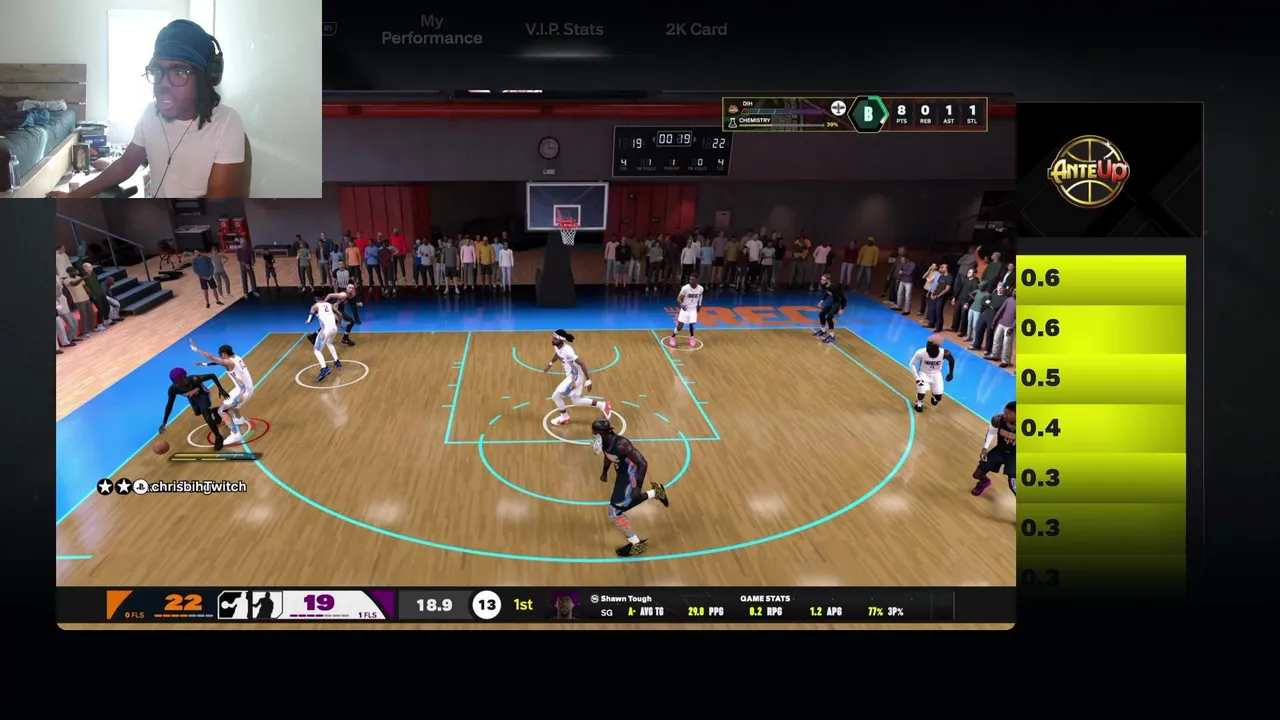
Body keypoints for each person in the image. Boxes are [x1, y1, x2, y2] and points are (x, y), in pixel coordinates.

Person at [48, 20, 247, 199]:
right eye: (157, 70)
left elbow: (215, 207)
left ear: (206, 78)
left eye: (179, 71)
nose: (163, 83)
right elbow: (125, 165)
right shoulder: (150, 114)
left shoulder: (226, 123)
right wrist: (75, 197)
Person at [591, 417, 670, 557]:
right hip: (622, 475)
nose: (593, 435)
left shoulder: (621, 444)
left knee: (614, 512)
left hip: (630, 477)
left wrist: (637, 487)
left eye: (595, 432)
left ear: (602, 432)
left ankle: (635, 544)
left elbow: (643, 463)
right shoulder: (604, 442)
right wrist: (604, 472)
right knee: (623, 505)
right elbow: (608, 456)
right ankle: (656, 492)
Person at [189, 338, 254, 444]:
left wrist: (196, 349)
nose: (220, 357)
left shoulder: (229, 363)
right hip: (244, 388)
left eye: (221, 355)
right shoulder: (236, 357)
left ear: (224, 354)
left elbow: (212, 357)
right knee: (229, 401)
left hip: (244, 392)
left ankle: (235, 434)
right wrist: (205, 364)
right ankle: (239, 419)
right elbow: (219, 362)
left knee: (221, 410)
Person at [543, 330, 611, 426]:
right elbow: (558, 354)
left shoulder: (568, 351)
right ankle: (603, 405)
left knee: (555, 397)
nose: (552, 340)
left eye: (555, 338)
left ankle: (565, 417)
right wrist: (550, 364)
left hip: (575, 378)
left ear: (561, 340)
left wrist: (588, 380)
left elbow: (582, 363)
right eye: (553, 337)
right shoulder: (557, 346)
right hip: (572, 375)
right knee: (576, 401)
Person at [159, 367, 230, 451]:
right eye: (176, 382)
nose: (178, 384)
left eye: (179, 381)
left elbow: (212, 375)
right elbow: (169, 405)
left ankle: (218, 437)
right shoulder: (173, 389)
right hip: (192, 398)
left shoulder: (195, 379)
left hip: (203, 395)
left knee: (206, 416)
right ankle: (216, 411)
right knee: (197, 413)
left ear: (184, 377)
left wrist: (221, 389)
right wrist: (164, 421)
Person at [972, 402, 1017, 496]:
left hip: (1015, 457)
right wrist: (985, 448)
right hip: (1000, 451)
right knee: (977, 474)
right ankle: (984, 483)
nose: (1004, 415)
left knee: (1014, 487)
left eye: (1008, 414)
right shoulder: (998, 419)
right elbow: (991, 432)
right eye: (1004, 412)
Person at [908, 334, 956, 412]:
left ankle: (935, 395)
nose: (927, 349)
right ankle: (919, 402)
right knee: (921, 391)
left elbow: (952, 360)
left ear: (936, 348)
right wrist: (917, 377)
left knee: (938, 398)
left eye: (929, 348)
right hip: (923, 373)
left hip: (936, 374)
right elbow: (912, 364)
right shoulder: (921, 352)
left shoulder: (945, 353)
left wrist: (951, 373)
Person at [306, 291, 344, 383]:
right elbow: (340, 315)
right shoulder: (329, 305)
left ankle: (324, 368)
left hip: (325, 331)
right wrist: (339, 324)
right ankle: (337, 361)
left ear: (315, 298)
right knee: (329, 343)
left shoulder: (314, 306)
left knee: (317, 351)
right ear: (324, 296)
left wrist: (308, 321)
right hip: (334, 329)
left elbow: (309, 320)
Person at [668, 275, 703, 347]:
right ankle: (672, 337)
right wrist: (682, 305)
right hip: (685, 309)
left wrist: (699, 305)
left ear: (696, 280)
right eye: (690, 279)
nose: (690, 281)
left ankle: (692, 337)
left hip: (693, 309)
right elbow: (679, 298)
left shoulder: (700, 288)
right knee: (680, 327)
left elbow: (700, 296)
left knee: (692, 325)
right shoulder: (685, 288)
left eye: (692, 279)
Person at [812, 273, 847, 344]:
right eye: (821, 279)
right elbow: (827, 293)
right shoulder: (825, 285)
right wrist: (822, 300)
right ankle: (823, 331)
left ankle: (832, 336)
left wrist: (842, 308)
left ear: (828, 280)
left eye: (823, 280)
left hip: (838, 302)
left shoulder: (834, 287)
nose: (821, 281)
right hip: (833, 301)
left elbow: (843, 298)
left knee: (829, 317)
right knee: (821, 314)